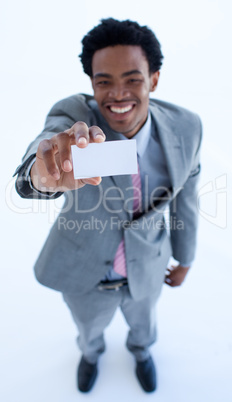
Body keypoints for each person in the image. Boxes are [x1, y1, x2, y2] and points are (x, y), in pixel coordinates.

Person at [14, 18, 202, 394]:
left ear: (155, 79)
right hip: (85, 269)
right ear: (91, 84)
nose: (118, 94)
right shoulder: (74, 119)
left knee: (144, 325)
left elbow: (187, 198)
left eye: (133, 79)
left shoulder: (186, 126)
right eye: (104, 81)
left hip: (148, 265)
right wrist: (43, 174)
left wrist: (185, 258)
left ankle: (141, 352)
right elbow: (42, 153)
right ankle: (91, 354)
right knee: (88, 329)